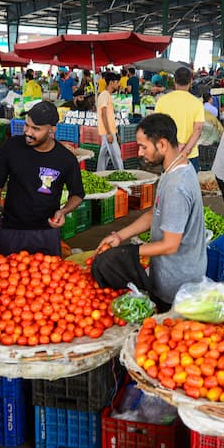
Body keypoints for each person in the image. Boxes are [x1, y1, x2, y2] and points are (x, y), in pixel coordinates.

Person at [91, 114, 206, 311]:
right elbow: (155, 213)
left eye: (144, 146)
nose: (139, 152)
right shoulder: (172, 170)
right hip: (169, 274)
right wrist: (120, 236)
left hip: (177, 286)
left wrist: (129, 253)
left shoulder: (177, 185)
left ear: (162, 144)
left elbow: (170, 245)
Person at [0, 101, 84, 256]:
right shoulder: (11, 147)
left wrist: (63, 211)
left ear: (52, 130)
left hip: (46, 233)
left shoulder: (66, 159)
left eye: (36, 129)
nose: (28, 132)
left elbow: (77, 194)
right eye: (27, 125)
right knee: (6, 276)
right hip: (11, 230)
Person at [155, 67, 205, 171]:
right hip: (190, 155)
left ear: (174, 80)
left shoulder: (162, 101)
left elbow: (158, 128)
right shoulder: (197, 103)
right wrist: (185, 151)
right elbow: (198, 129)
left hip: (169, 154)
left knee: (169, 186)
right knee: (190, 187)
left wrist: (174, 147)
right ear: (191, 81)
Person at [96, 72, 124, 171]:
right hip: (107, 131)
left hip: (109, 131)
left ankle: (99, 174)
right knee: (116, 156)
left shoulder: (106, 95)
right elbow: (103, 114)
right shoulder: (104, 95)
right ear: (111, 83)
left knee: (103, 156)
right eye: (117, 82)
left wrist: (114, 133)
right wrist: (109, 133)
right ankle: (122, 175)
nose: (118, 85)